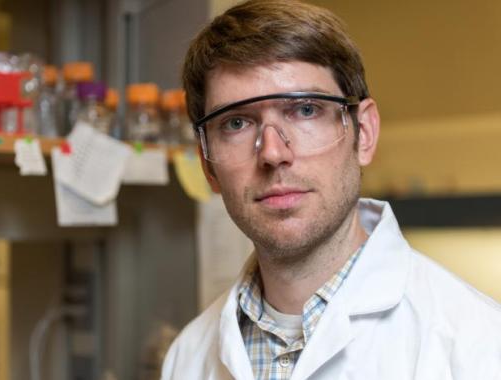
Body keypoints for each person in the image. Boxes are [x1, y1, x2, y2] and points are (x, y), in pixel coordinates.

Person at [161, 0, 501, 379]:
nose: (273, 153)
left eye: (306, 110)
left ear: (365, 134)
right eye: (237, 123)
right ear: (208, 163)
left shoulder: (478, 348)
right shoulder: (187, 358)